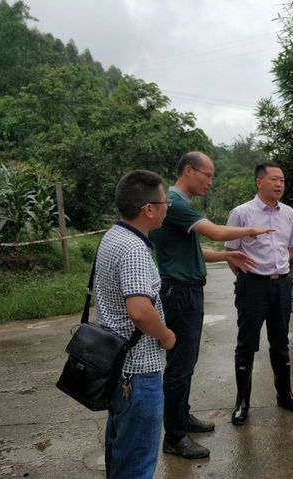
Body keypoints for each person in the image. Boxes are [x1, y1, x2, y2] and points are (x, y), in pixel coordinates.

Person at [153, 151, 274, 459]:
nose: (210, 181)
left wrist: (226, 255)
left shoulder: (180, 205)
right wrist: (251, 230)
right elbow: (217, 232)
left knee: (187, 361)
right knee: (180, 365)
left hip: (188, 290)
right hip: (179, 292)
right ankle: (174, 437)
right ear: (189, 171)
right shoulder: (175, 203)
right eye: (207, 175)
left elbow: (197, 250)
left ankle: (181, 416)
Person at [95, 170, 176, 478]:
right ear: (149, 209)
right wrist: (166, 336)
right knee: (137, 463)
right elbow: (140, 311)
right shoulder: (134, 249)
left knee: (121, 452)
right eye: (165, 201)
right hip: (137, 372)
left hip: (116, 366)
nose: (168, 207)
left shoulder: (113, 236)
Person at [224, 162, 293, 426]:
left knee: (281, 343)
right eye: (274, 179)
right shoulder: (241, 213)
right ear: (259, 182)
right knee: (246, 344)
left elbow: (291, 248)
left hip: (281, 285)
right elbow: (231, 252)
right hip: (252, 286)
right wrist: (247, 276)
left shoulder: (289, 213)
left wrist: (277, 269)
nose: (280, 184)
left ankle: (285, 395)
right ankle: (242, 403)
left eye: (282, 179)